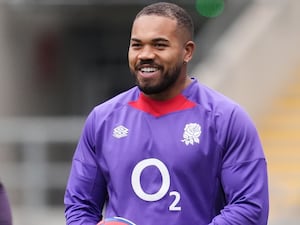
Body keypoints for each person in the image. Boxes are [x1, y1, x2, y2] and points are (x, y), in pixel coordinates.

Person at [64, 2, 269, 225]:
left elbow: (249, 209)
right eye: (136, 45)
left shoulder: (227, 119)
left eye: (159, 45)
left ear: (187, 52)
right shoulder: (102, 119)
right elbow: (80, 206)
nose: (145, 55)